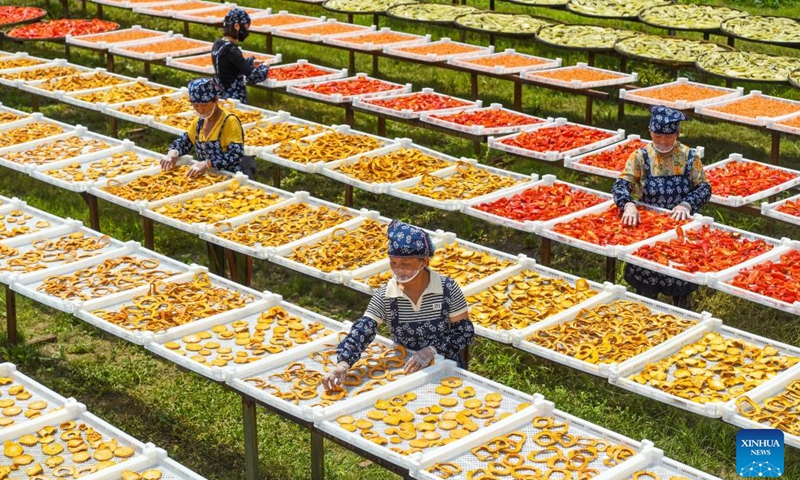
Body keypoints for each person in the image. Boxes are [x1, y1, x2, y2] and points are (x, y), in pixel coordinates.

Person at [322, 220, 475, 391]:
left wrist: (433, 349)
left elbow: (464, 331)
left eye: (405, 264)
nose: (398, 269)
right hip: (404, 367)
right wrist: (344, 362)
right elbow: (363, 329)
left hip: (445, 366)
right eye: (393, 263)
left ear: (424, 261)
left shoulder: (447, 289)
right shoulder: (386, 294)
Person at [612, 105, 712, 309]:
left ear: (677, 133)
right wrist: (628, 204)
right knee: (647, 279)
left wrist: (687, 204)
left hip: (680, 227)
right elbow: (621, 184)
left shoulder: (689, 156)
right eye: (657, 136)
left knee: (681, 275)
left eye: (668, 137)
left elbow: (704, 188)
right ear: (650, 132)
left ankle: (683, 315)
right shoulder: (641, 157)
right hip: (650, 226)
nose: (663, 142)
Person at [161, 77, 251, 283]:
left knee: (233, 234)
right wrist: (173, 152)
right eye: (196, 105)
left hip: (231, 186)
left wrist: (208, 163)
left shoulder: (229, 122)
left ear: (215, 100)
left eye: (204, 104)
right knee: (212, 231)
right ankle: (220, 278)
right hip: (210, 188)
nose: (200, 109)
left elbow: (236, 155)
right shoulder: (200, 122)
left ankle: (242, 282)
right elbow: (185, 140)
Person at [212, 8, 269, 104]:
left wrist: (249, 62)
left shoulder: (218, 44)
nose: (246, 32)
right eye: (246, 28)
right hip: (233, 98)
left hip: (220, 93)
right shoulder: (232, 50)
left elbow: (228, 63)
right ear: (237, 26)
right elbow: (252, 77)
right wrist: (265, 68)